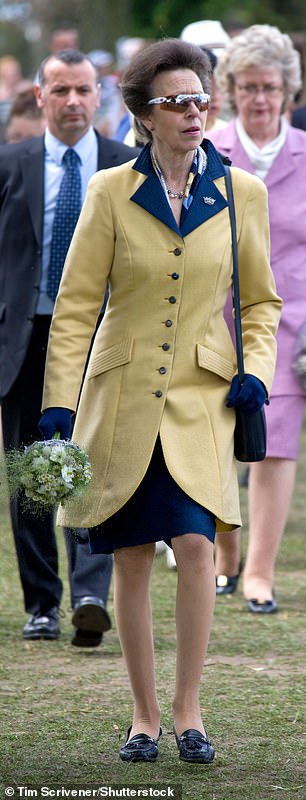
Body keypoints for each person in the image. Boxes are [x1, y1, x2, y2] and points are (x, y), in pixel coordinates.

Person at [39, 38, 281, 762]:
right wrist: (58, 400)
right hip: (121, 399)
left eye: (202, 99)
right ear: (143, 114)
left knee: (197, 544)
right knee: (135, 555)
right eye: (177, 102)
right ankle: (144, 716)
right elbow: (78, 306)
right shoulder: (111, 191)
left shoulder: (244, 193)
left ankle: (189, 710)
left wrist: (257, 371)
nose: (194, 113)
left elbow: (261, 302)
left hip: (204, 399)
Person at [0, 49, 139, 645]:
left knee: (98, 465)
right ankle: (41, 602)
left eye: (84, 90)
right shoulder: (11, 164)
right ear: (40, 96)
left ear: (99, 94)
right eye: (61, 91)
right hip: (26, 336)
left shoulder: (129, 166)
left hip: (103, 340)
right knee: (32, 470)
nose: (74, 102)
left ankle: (89, 593)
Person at [207, 24, 306, 613]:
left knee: (276, 451)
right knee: (215, 443)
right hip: (214, 322)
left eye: (270, 86)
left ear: (288, 90)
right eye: (248, 86)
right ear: (231, 89)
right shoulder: (208, 149)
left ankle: (260, 575)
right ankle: (225, 556)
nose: (260, 98)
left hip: (290, 328)